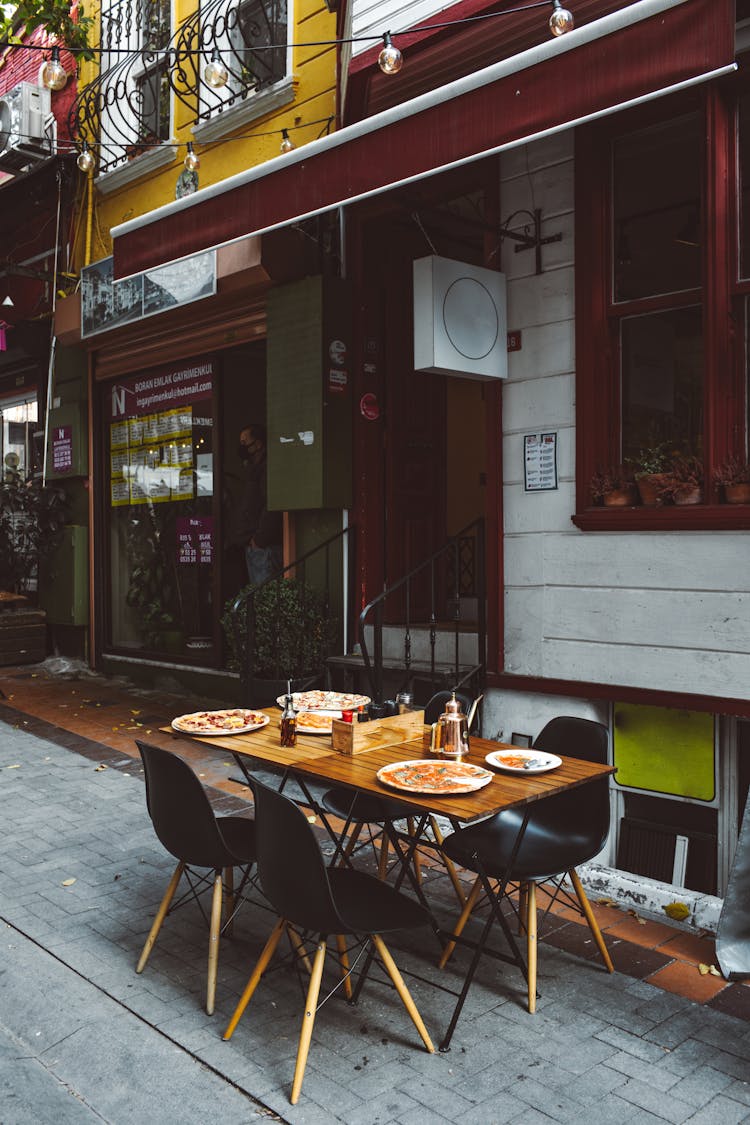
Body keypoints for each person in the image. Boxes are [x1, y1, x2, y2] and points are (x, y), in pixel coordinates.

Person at [233, 424, 283, 587]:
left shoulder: (267, 468)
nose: (242, 448)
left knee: (265, 597)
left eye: (245, 442)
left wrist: (260, 539)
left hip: (264, 548)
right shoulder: (254, 470)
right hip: (255, 546)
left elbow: (273, 503)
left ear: (258, 443)